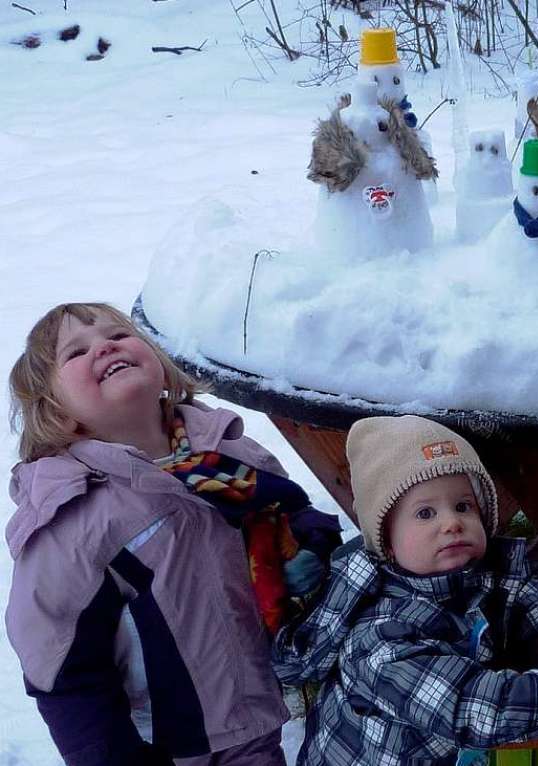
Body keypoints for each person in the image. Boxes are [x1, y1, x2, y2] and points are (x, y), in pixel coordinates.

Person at [5, 302, 340, 766]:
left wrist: (308, 546)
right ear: (57, 413)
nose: (104, 346)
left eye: (118, 336)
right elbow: (61, 665)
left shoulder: (229, 453)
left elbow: (292, 510)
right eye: (76, 352)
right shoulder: (73, 519)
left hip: (261, 711)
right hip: (168, 743)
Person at [272, 414, 538, 766]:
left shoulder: (481, 571)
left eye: (463, 506)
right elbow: (469, 706)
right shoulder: (379, 635)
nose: (452, 523)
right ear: (387, 542)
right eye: (425, 513)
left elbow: (530, 589)